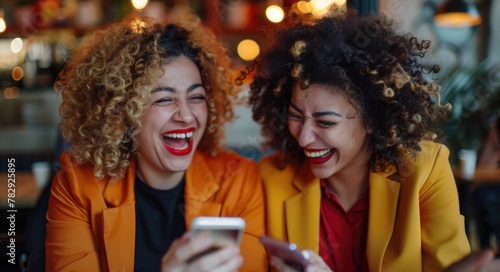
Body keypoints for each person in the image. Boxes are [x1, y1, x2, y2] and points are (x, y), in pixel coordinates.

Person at [248, 8, 472, 271]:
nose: (304, 138)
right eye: (296, 115)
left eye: (325, 122)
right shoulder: (270, 178)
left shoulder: (425, 170)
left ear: (371, 121)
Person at [45, 13, 267, 271]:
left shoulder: (238, 181)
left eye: (196, 97)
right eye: (164, 99)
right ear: (123, 111)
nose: (186, 115)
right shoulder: (78, 187)